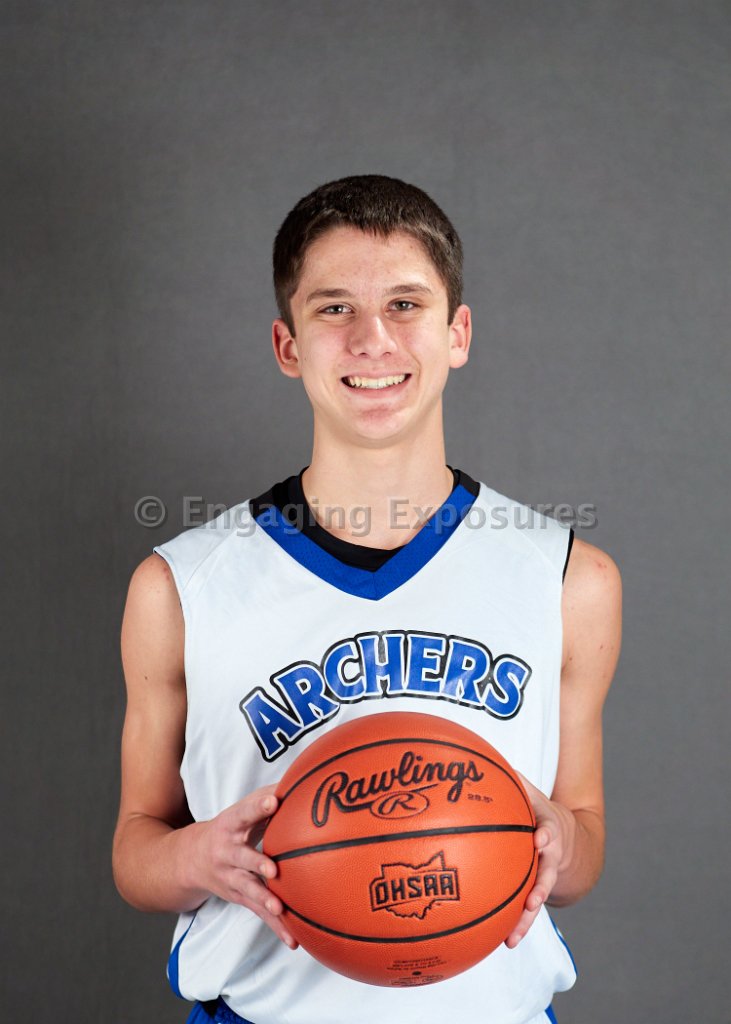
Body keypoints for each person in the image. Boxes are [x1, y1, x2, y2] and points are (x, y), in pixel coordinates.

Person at [113, 175, 622, 1024]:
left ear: (457, 334)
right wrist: (197, 859)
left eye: (405, 305)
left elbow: (583, 842)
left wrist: (561, 843)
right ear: (287, 345)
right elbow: (137, 848)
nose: (372, 339)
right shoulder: (180, 587)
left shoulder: (568, 578)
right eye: (334, 309)